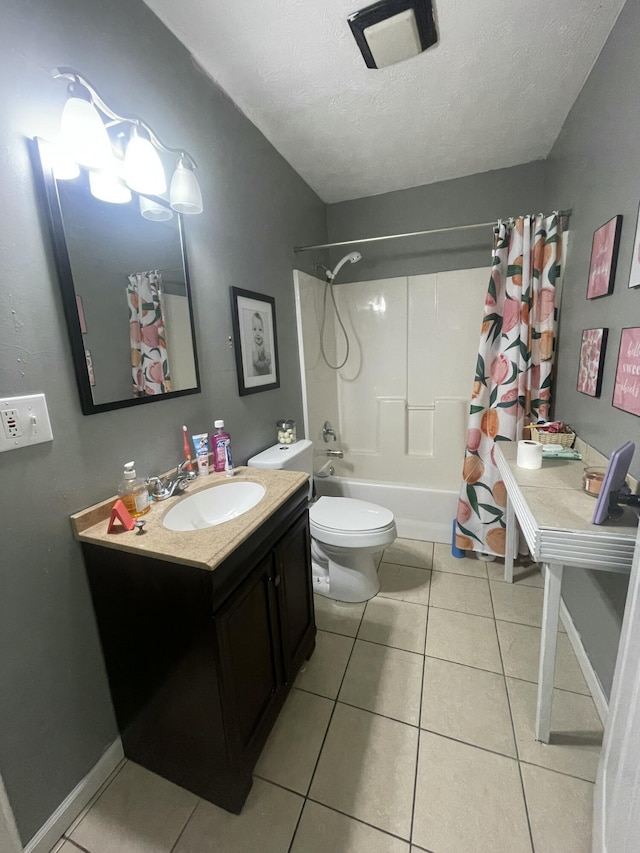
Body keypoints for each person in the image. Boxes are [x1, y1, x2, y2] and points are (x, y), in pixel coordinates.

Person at [251, 312, 271, 376]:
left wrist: (267, 355)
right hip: (257, 373)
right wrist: (266, 363)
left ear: (263, 331)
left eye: (260, 329)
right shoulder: (253, 345)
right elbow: (256, 362)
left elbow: (266, 351)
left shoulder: (263, 342)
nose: (257, 333)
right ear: (251, 330)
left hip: (265, 371)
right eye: (254, 329)